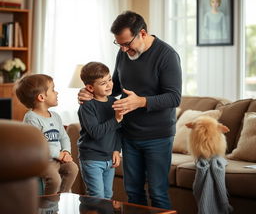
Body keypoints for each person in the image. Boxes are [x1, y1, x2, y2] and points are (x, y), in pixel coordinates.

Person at [78, 11, 182, 209]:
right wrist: (89, 93)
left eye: (127, 43)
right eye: (119, 44)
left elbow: (174, 97)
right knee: (133, 192)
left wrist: (141, 101)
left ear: (142, 33)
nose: (124, 49)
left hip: (157, 137)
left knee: (158, 193)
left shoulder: (167, 56)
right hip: (129, 134)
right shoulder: (124, 52)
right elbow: (115, 87)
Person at [15, 74, 78, 195]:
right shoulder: (31, 118)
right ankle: (48, 202)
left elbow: (64, 137)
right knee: (55, 179)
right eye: (53, 89)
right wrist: (58, 154)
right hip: (40, 161)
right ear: (41, 97)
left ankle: (61, 196)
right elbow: (37, 144)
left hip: (56, 159)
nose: (57, 92)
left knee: (72, 168)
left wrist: (66, 152)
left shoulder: (55, 117)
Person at [78, 62, 123, 199]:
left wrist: (116, 149)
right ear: (90, 87)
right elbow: (96, 132)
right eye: (103, 83)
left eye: (109, 79)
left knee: (108, 195)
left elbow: (118, 131)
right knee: (97, 196)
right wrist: (116, 119)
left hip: (109, 158)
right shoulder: (86, 107)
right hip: (92, 159)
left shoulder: (114, 102)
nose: (109, 85)